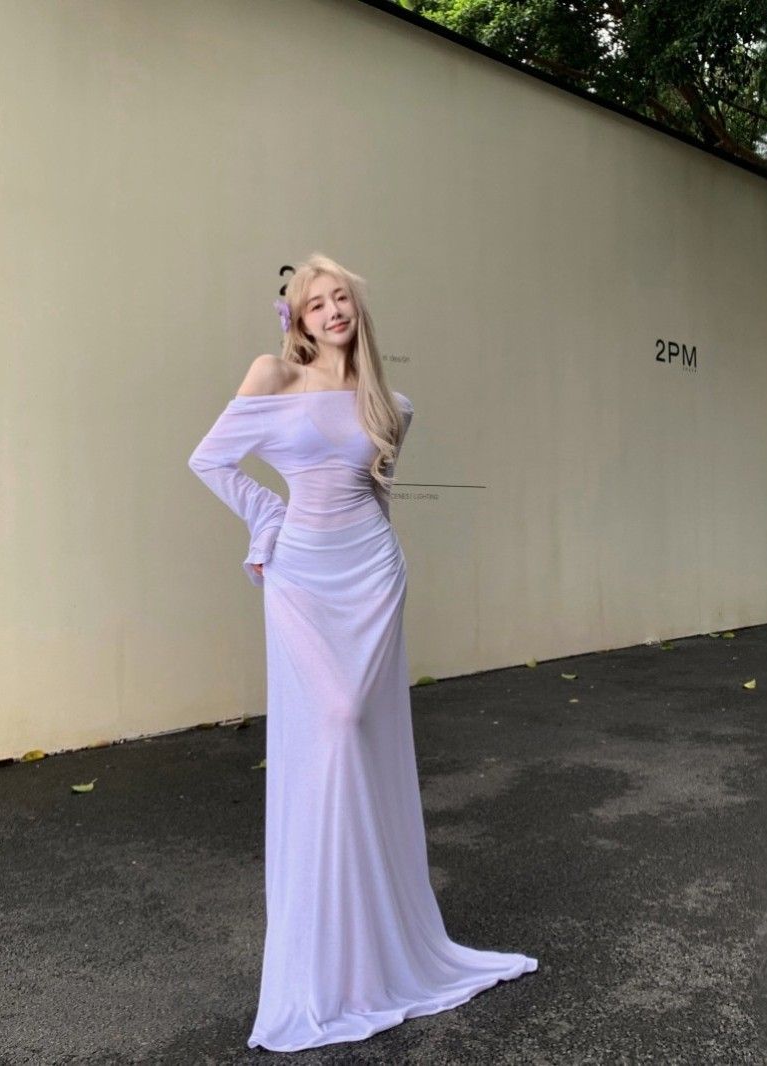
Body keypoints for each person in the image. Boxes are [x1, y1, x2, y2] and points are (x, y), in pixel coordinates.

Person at [188, 252, 537, 1052]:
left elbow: (378, 494)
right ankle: (326, 952)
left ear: (357, 309)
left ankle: (377, 947)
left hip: (373, 577)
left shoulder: (391, 405)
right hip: (302, 578)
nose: (333, 310)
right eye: (317, 302)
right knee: (335, 727)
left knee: (363, 745)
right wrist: (266, 523)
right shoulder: (273, 376)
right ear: (299, 318)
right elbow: (209, 458)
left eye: (341, 297)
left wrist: (393, 567)